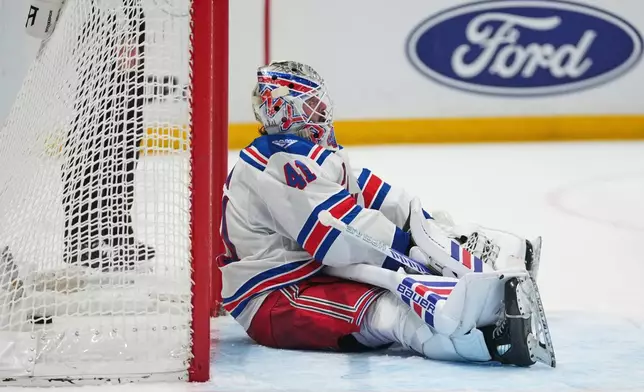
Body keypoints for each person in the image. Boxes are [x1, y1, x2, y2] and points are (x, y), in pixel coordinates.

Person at [218, 61, 553, 367]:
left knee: (419, 243)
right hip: (274, 298)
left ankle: (482, 266)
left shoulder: (307, 151)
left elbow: (369, 191)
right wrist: (405, 250)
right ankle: (485, 342)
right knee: (389, 310)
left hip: (310, 272)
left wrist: (424, 224)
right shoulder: (274, 163)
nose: (322, 109)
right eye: (311, 104)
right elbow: (337, 235)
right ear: (285, 112)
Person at [62, 1, 154, 270]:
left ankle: (116, 229)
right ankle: (81, 238)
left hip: (128, 17)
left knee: (127, 134)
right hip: (101, 20)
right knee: (92, 136)